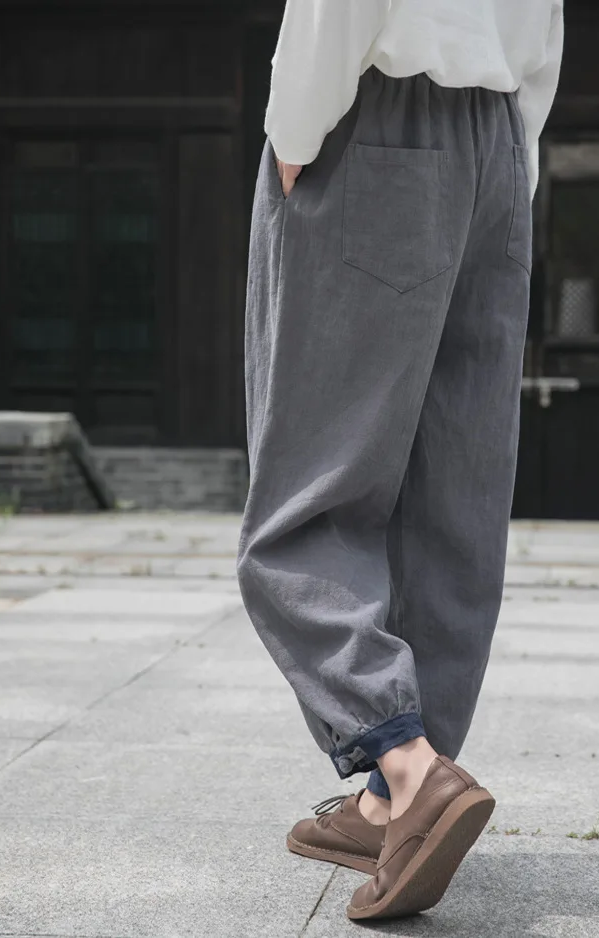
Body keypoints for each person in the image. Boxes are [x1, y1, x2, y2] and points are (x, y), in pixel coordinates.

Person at [237, 0, 564, 921]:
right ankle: (392, 802)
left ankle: (409, 763)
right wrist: (513, 157)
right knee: (453, 486)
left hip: (379, 123)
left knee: (311, 491)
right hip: (497, 141)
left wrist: (296, 126)